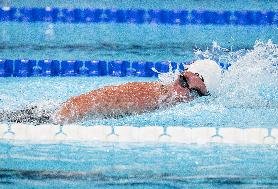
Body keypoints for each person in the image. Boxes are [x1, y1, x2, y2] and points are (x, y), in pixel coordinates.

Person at [0, 64, 210, 125]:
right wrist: (56, 122)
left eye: (193, 92)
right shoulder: (152, 94)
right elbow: (91, 100)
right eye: (183, 80)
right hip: (51, 118)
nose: (181, 91)